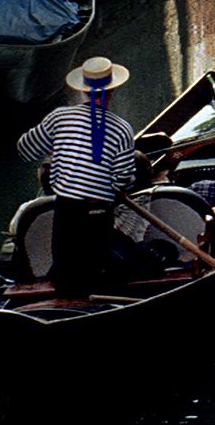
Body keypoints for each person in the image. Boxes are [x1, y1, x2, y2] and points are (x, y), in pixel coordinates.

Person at [16, 54, 137, 293]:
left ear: (83, 91)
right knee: (98, 271)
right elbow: (124, 180)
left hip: (67, 210)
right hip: (99, 212)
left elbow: (25, 149)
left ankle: (65, 295)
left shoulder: (59, 117)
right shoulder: (122, 129)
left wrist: (54, 146)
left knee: (66, 272)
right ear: (111, 92)